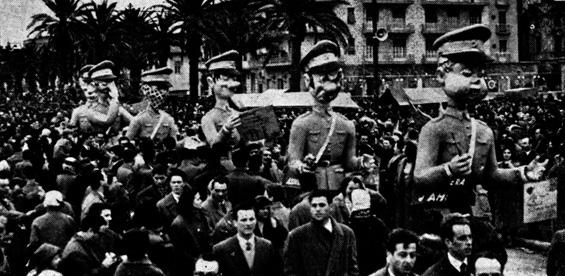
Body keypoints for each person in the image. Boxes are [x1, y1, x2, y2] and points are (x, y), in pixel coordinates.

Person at [413, 24, 547, 214]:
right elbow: (419, 176)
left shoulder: (484, 130)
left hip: (477, 212)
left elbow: (491, 175)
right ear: (441, 76)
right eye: (467, 73)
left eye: (480, 74)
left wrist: (522, 173)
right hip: (443, 212)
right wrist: (448, 169)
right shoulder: (433, 129)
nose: (476, 80)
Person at [287, 40, 372, 191]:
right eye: (322, 77)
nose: (328, 83)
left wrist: (361, 163)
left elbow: (349, 161)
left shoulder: (346, 124)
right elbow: (293, 161)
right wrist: (301, 166)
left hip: (339, 187)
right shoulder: (300, 124)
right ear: (308, 81)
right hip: (312, 188)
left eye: (332, 75)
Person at [283, 190, 359, 276]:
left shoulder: (346, 233)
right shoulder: (297, 236)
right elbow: (290, 271)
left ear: (330, 207)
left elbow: (353, 269)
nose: (318, 209)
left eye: (322, 205)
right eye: (314, 206)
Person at [213, 202, 282, 276]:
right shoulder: (222, 249)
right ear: (235, 222)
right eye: (244, 220)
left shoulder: (267, 246)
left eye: (251, 219)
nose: (248, 223)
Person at [201, 50, 242, 171]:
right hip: (219, 168)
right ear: (211, 82)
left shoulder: (236, 113)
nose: (231, 84)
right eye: (225, 79)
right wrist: (225, 130)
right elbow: (214, 144)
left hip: (239, 166)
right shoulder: (208, 118)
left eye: (233, 79)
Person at [126, 67, 178, 142]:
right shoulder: (139, 119)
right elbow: (126, 143)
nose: (163, 92)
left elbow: (174, 144)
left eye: (165, 89)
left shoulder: (168, 119)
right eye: (159, 88)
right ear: (147, 90)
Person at [169, 186, 212, 276]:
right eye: (198, 199)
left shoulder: (200, 216)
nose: (201, 201)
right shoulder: (178, 223)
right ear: (190, 202)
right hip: (189, 267)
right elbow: (180, 250)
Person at [69, 62, 121, 135]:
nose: (111, 86)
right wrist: (115, 97)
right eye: (105, 83)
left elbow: (136, 122)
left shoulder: (117, 107)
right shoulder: (88, 111)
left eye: (111, 82)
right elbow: (107, 121)